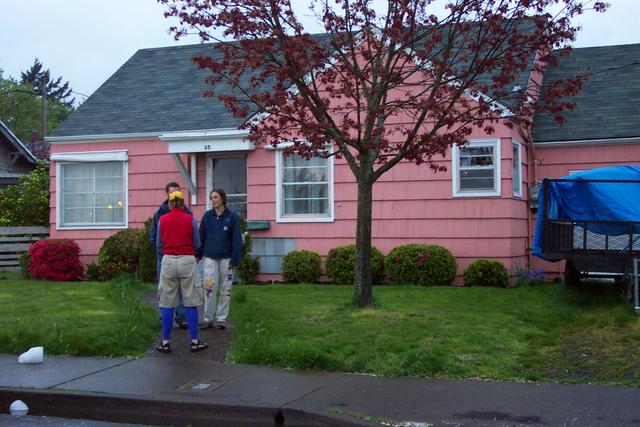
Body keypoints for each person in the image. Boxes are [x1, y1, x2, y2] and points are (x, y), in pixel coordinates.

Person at [155, 191, 207, 353]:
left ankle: (165, 342)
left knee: (167, 303)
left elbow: (158, 243)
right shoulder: (190, 219)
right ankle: (194, 341)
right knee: (190, 301)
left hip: (169, 260)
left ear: (170, 203)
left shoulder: (162, 220)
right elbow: (197, 243)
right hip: (187, 260)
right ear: (183, 203)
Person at [197, 188, 243, 330]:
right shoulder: (207, 216)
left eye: (215, 197)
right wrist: (198, 254)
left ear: (223, 198)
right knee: (209, 288)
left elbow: (237, 240)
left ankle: (221, 319)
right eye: (211, 198)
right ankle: (207, 319)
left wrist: (235, 259)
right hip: (210, 258)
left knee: (225, 289)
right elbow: (201, 237)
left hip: (227, 260)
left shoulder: (231, 217)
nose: (213, 200)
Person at [149, 181, 191, 329]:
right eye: (171, 192)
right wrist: (161, 254)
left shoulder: (187, 213)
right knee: (164, 288)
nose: (174, 195)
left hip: (183, 256)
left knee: (181, 288)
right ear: (167, 194)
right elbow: (154, 236)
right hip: (164, 257)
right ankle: (164, 316)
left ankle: (181, 316)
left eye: (177, 192)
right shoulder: (160, 213)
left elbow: (192, 235)